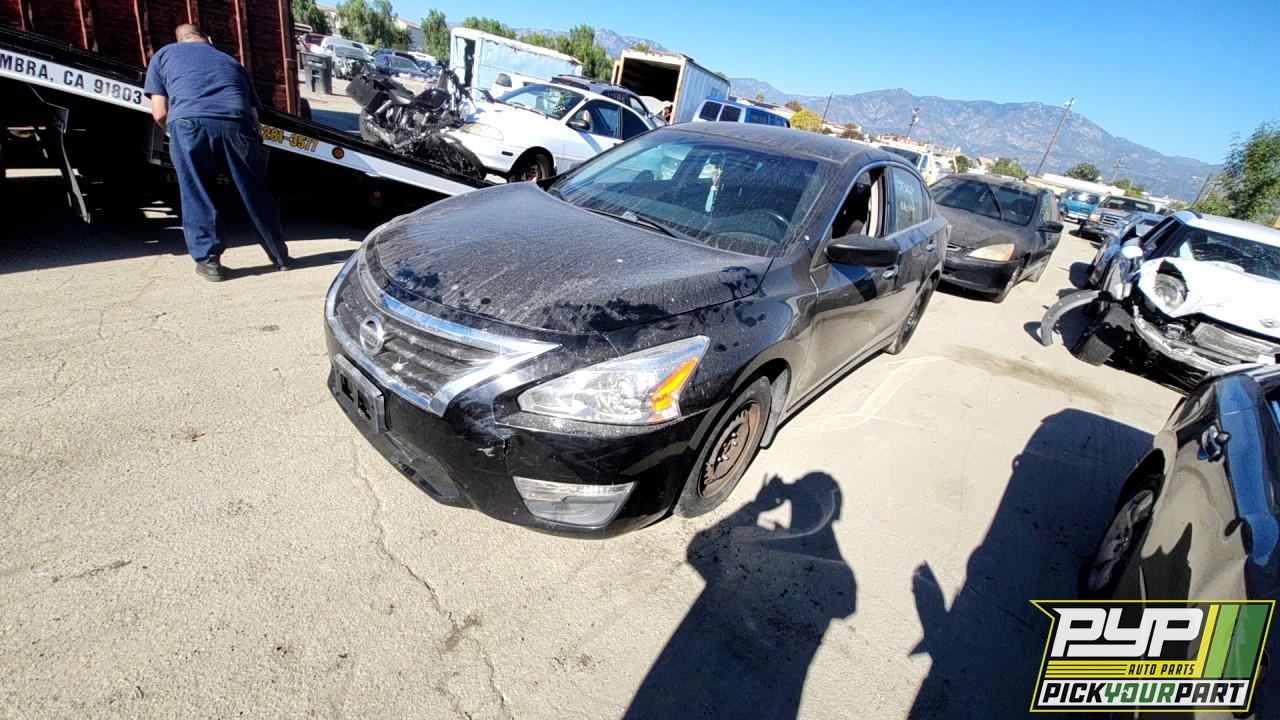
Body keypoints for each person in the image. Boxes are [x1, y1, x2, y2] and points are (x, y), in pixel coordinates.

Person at [144, 24, 291, 281]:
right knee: (255, 192)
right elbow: (255, 118)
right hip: (237, 124)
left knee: (197, 191)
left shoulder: (164, 55)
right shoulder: (231, 63)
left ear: (180, 40)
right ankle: (279, 257)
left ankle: (210, 262)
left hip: (190, 124)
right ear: (207, 39)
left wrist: (177, 134)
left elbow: (160, 111)